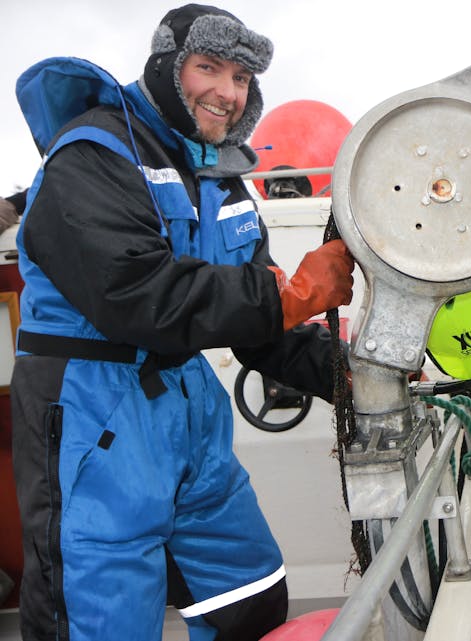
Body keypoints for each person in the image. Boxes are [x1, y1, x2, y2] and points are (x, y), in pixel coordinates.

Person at [11, 5, 354, 641]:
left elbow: (258, 324)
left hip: (190, 424)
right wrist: (299, 293)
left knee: (250, 599)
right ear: (168, 69)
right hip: (92, 418)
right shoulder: (92, 153)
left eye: (243, 78)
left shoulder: (220, 179)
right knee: (100, 622)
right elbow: (139, 295)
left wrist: (350, 374)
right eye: (210, 68)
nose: (228, 92)